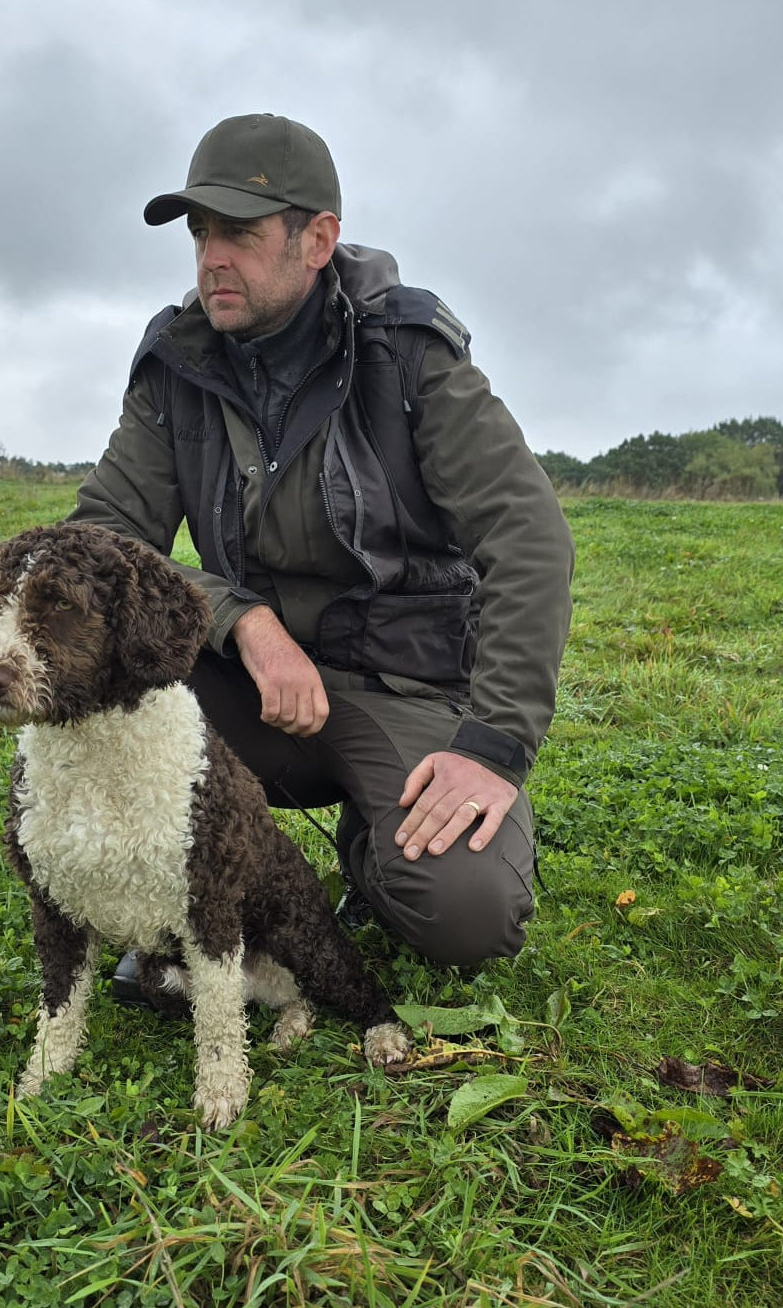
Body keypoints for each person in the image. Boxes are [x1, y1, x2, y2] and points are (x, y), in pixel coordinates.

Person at [71, 113, 574, 978]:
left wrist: (491, 746)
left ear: (318, 239)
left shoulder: (409, 355)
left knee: (465, 913)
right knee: (85, 668)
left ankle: (369, 845)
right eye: (199, 232)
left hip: (399, 684)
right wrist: (243, 620)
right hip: (244, 685)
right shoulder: (176, 361)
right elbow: (97, 544)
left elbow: (528, 539)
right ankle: (165, 908)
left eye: (238, 231)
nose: (210, 256)